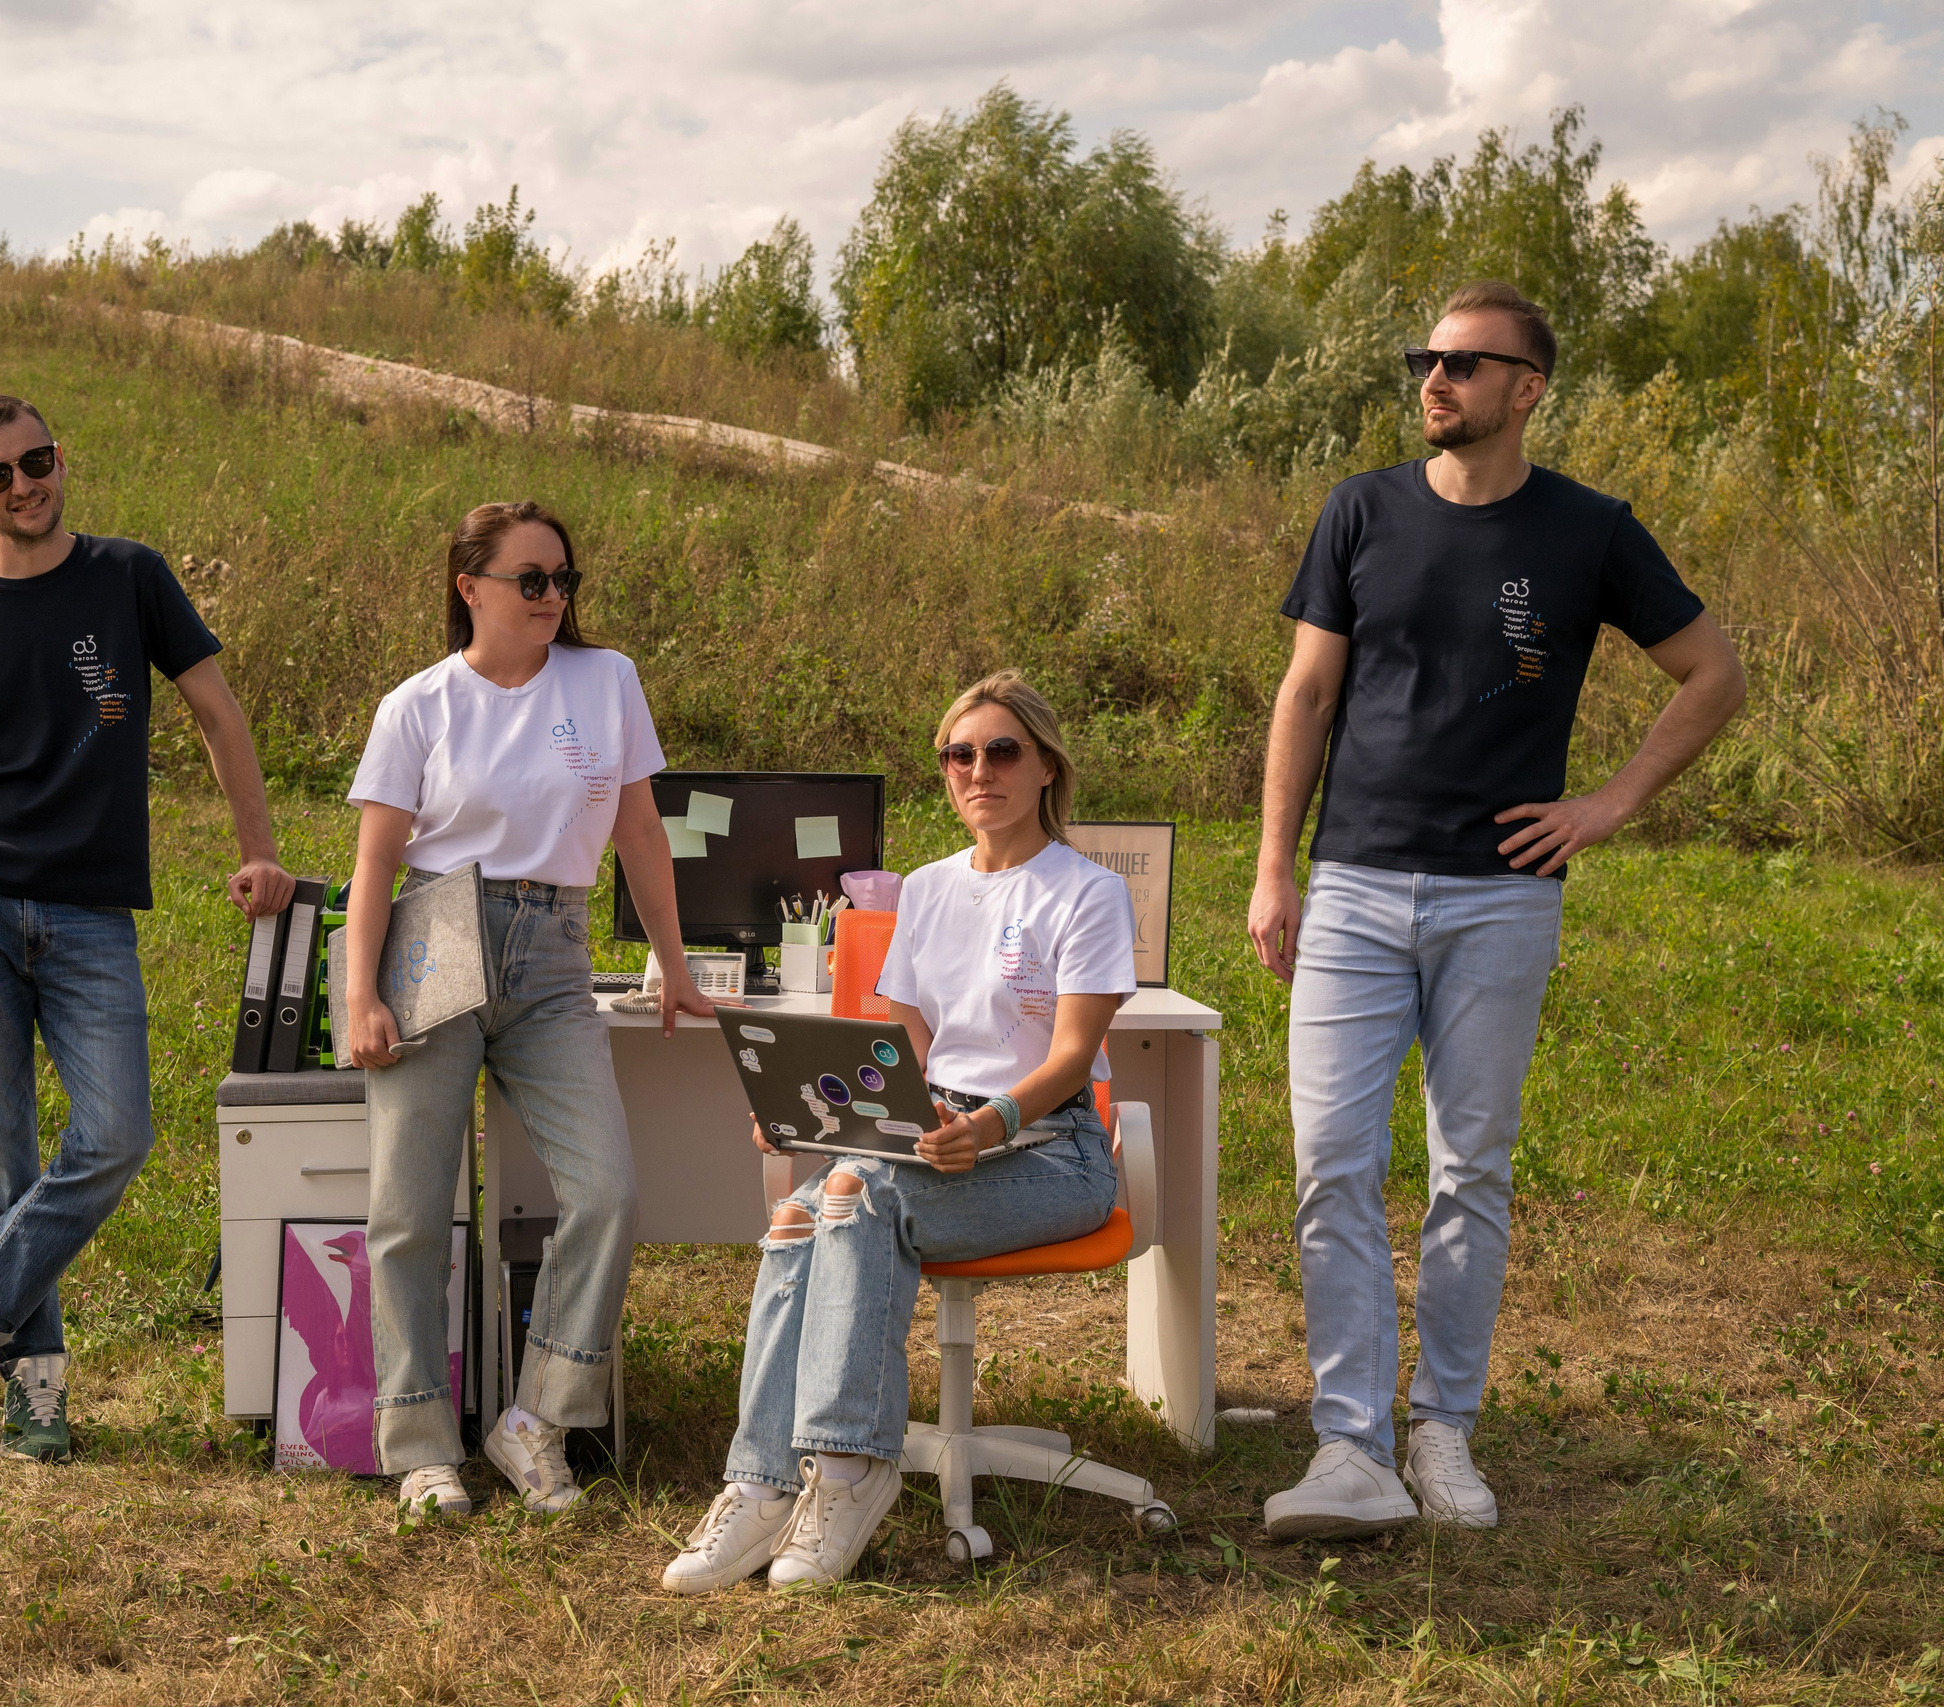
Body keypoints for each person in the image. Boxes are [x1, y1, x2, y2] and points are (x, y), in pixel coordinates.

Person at [1247, 282, 1745, 1539]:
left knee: (1470, 1171)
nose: (1436, 380)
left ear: (1527, 388)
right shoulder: (1361, 509)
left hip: (1500, 900)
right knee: (1330, 1166)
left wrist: (1607, 803)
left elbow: (1711, 672)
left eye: (1467, 364)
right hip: (1354, 885)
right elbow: (1306, 697)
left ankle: (1442, 1432)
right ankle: (1350, 1446)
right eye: (1428, 358)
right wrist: (1273, 868)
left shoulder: (1589, 531)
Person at [0, 394, 294, 1461]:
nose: (24, 485)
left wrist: (258, 848)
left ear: (63, 458)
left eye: (37, 461)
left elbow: (216, 711)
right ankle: (34, 1390)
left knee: (116, 1136)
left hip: (91, 913)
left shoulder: (128, 575)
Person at [661, 670, 1136, 1593]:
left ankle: (846, 1470)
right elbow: (899, 1050)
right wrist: (817, 1112)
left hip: (1054, 1148)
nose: (979, 770)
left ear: (1045, 765)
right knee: (803, 1210)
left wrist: (991, 1120)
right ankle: (759, 1483)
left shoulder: (1085, 893)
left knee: (852, 1191)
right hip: (933, 1128)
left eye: (1002, 750)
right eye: (960, 754)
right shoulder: (924, 888)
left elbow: (1075, 1058)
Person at [343, 499, 714, 1518]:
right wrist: (359, 991)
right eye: (532, 581)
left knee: (607, 1192)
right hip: (436, 934)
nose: (554, 598)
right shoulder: (417, 704)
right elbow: (374, 861)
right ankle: (419, 1442)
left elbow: (640, 834)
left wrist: (671, 962)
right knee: (409, 1209)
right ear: (471, 588)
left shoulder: (607, 681)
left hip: (553, 947)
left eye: (564, 581)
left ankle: (535, 1420)